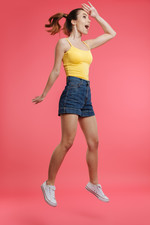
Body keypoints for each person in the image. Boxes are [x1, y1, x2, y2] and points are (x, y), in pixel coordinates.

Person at [32, 1, 116, 207]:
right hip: (72, 92)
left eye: (89, 18)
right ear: (73, 21)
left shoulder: (88, 44)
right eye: (85, 17)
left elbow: (111, 33)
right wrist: (44, 93)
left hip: (86, 93)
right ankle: (49, 184)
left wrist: (96, 15)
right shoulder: (64, 43)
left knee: (94, 142)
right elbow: (55, 71)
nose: (89, 21)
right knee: (67, 142)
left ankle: (93, 183)